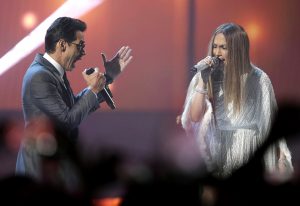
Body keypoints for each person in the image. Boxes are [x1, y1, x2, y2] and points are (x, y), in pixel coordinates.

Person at [15, 17, 133, 191]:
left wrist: (108, 77)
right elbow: (67, 120)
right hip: (41, 173)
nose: (83, 53)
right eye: (80, 46)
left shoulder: (53, 72)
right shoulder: (40, 76)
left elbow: (72, 108)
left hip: (54, 168)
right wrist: (93, 90)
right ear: (63, 45)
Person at [180, 23, 293, 179]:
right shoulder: (208, 77)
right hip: (219, 158)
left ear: (238, 49)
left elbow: (271, 122)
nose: (217, 53)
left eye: (223, 48)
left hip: (250, 156)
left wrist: (280, 159)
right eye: (215, 46)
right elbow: (194, 117)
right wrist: (202, 81)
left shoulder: (259, 79)